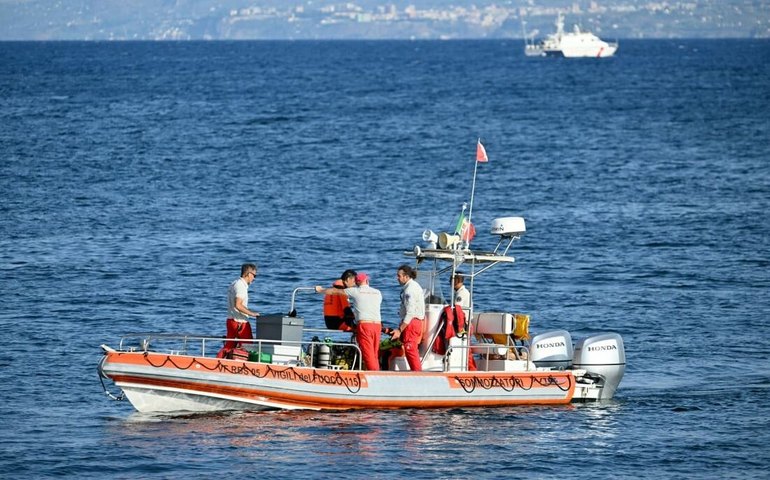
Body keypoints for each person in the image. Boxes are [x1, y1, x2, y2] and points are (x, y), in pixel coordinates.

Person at [315, 271, 382, 370]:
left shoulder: (352, 291)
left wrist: (320, 290)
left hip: (359, 325)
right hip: (377, 325)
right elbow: (349, 310)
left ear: (358, 282)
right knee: (374, 353)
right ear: (367, 281)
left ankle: (373, 374)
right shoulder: (378, 292)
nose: (354, 284)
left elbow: (337, 295)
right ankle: (376, 372)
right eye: (353, 281)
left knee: (368, 354)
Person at [217, 263, 260, 358]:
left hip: (231, 320)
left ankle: (217, 361)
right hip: (240, 322)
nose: (254, 278)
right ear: (249, 274)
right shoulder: (241, 286)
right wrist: (252, 314)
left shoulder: (234, 283)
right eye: (254, 275)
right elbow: (238, 305)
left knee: (228, 347)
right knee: (248, 347)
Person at [391, 264, 424, 371]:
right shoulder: (413, 286)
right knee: (410, 348)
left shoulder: (410, 290)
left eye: (399, 276)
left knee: (410, 349)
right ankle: (416, 372)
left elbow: (410, 312)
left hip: (412, 322)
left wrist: (400, 330)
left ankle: (418, 374)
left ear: (406, 276)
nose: (397, 278)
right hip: (413, 322)